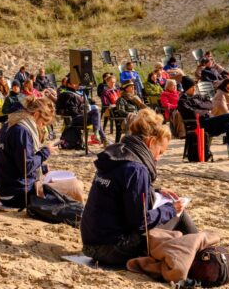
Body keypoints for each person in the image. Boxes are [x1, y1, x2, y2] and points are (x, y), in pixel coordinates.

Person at [81, 109, 198, 265]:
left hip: (90, 243)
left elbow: (119, 192)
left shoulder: (116, 155)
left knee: (166, 212)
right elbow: (140, 222)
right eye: (160, 151)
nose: (158, 158)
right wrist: (171, 209)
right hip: (113, 249)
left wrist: (154, 191)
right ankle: (204, 254)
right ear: (150, 142)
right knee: (179, 214)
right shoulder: (136, 169)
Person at [0, 96, 57, 208]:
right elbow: (26, 167)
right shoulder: (22, 130)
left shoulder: (10, 123)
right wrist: (45, 152)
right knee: (73, 186)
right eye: (42, 123)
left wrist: (43, 168)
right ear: (36, 114)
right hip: (17, 195)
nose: (42, 127)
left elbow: (14, 161)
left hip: (5, 191)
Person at [177, 76, 229, 161]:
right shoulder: (183, 101)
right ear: (188, 88)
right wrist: (204, 109)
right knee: (228, 116)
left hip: (209, 121)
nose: (195, 89)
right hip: (199, 125)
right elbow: (194, 113)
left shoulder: (198, 96)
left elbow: (211, 104)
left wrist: (200, 107)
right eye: (193, 87)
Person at [57, 80, 108, 145]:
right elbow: (71, 110)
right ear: (69, 85)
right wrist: (83, 108)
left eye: (77, 83)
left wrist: (86, 104)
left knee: (96, 116)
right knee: (95, 113)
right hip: (74, 119)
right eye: (74, 84)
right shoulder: (67, 94)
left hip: (81, 116)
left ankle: (101, 137)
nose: (77, 85)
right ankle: (101, 137)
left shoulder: (77, 93)